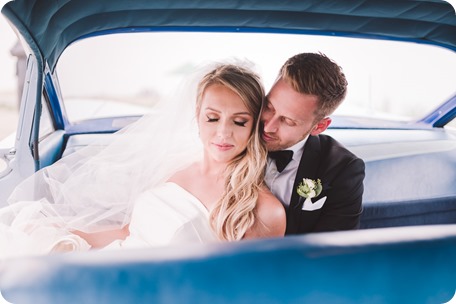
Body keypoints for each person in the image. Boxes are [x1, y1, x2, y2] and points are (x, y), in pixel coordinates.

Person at [0, 63, 285, 258]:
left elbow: (241, 286)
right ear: (197, 116)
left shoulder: (261, 208)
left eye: (239, 121)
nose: (223, 133)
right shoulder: (176, 167)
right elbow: (128, 233)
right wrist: (68, 235)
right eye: (212, 118)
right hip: (114, 261)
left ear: (254, 127)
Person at [262, 52, 365, 234]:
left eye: (288, 121)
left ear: (319, 127)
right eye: (268, 107)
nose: (268, 127)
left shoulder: (342, 170)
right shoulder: (234, 138)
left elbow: (334, 250)